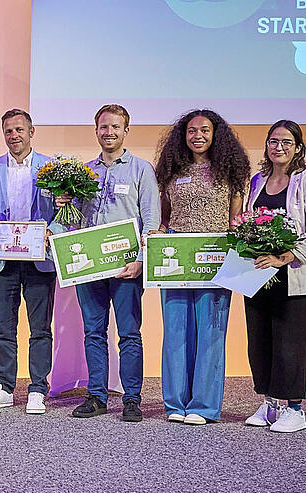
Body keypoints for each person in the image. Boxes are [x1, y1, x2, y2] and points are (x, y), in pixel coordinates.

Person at [61, 104, 160, 423]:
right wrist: (62, 206)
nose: (109, 132)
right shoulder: (84, 172)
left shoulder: (141, 169)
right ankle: (97, 396)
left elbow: (152, 219)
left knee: (130, 333)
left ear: (126, 131)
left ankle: (132, 398)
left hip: (127, 267)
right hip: (90, 267)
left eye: (116, 127)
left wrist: (142, 261)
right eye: (103, 127)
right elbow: (71, 219)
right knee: (93, 331)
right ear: (96, 130)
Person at [156, 109, 249, 425]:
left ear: (216, 134)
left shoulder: (230, 174)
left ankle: (204, 406)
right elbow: (165, 218)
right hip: (176, 261)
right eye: (191, 131)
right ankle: (175, 403)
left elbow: (236, 221)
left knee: (211, 332)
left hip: (215, 262)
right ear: (183, 136)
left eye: (204, 130)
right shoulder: (171, 171)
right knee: (176, 331)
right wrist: (158, 234)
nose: (197, 136)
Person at [0, 109, 57, 415]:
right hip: (3, 260)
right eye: (8, 131)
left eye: (19, 130)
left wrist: (55, 231)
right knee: (3, 328)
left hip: (40, 259)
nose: (14, 135)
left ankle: (38, 388)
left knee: (40, 328)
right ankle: (4, 387)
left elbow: (67, 211)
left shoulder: (53, 168)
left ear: (31, 131)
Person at [242, 120, 306, 433]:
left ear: (298, 148)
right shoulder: (258, 180)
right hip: (257, 274)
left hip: (292, 275)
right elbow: (248, 223)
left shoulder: (303, 180)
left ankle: (295, 407)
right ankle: (270, 403)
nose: (278, 147)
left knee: (289, 344)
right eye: (273, 141)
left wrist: (283, 257)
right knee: (260, 341)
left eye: (286, 142)